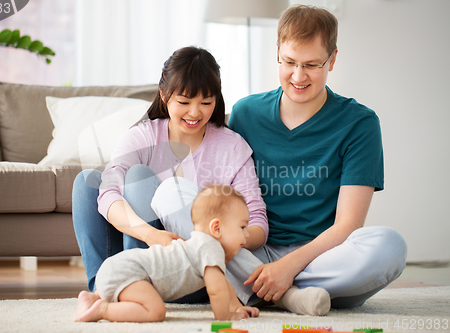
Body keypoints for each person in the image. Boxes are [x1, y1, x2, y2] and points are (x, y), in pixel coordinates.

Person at [225, 5, 408, 311]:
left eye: (311, 64)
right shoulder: (245, 113)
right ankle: (292, 296)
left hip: (324, 256)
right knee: (183, 203)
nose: (298, 76)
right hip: (256, 250)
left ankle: (266, 287)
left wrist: (288, 268)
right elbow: (226, 197)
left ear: (332, 59)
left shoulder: (359, 123)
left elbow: (348, 224)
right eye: (289, 62)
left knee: (390, 246)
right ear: (278, 52)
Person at [72, 46, 267, 304]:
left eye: (206, 103)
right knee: (86, 183)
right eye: (184, 102)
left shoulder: (232, 147)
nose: (195, 113)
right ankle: (104, 290)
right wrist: (150, 235)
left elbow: (258, 224)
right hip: (146, 253)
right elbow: (107, 193)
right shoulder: (143, 137)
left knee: (138, 177)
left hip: (192, 271)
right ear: (164, 95)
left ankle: (136, 292)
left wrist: (224, 241)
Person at [75, 184, 260, 322]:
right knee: (155, 311)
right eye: (242, 226)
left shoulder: (200, 246)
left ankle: (92, 296)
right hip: (130, 271)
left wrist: (237, 308)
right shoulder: (211, 248)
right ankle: (103, 309)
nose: (246, 233)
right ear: (216, 228)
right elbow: (217, 291)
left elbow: (223, 283)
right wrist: (226, 317)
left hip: (118, 267)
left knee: (140, 296)